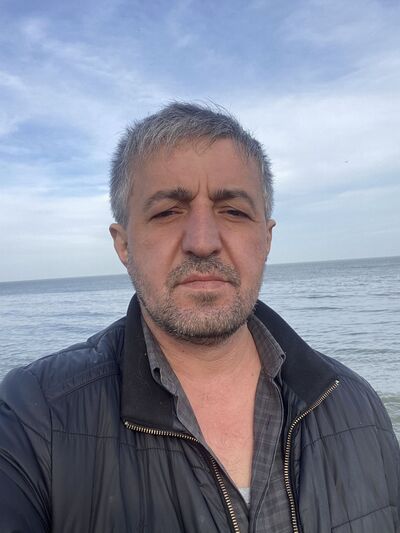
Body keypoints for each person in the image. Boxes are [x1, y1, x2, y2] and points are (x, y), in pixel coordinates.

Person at [0, 102, 399, 533]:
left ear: (266, 239)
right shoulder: (34, 417)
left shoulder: (355, 404)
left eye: (234, 211)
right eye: (167, 212)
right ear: (124, 245)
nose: (203, 241)